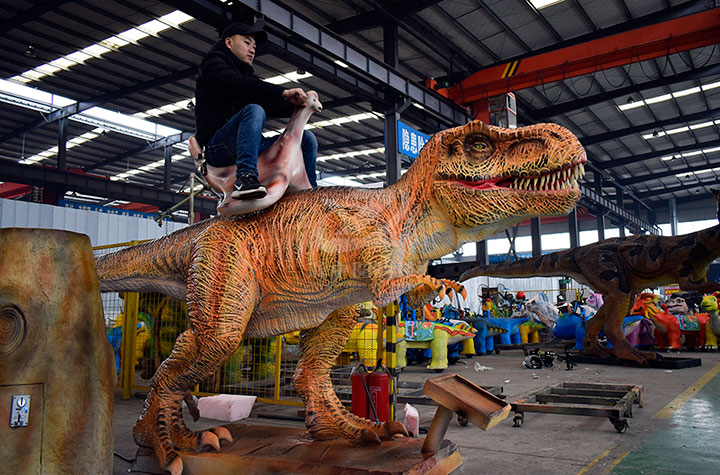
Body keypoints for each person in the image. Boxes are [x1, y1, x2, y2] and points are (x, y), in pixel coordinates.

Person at [194, 20, 318, 200]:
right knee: (254, 110)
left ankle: (310, 194)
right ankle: (245, 178)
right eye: (247, 42)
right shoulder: (213, 65)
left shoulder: (245, 75)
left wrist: (299, 106)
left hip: (246, 145)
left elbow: (268, 104)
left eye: (254, 45)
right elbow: (237, 85)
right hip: (217, 147)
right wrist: (283, 92)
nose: (253, 49)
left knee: (306, 138)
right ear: (229, 42)